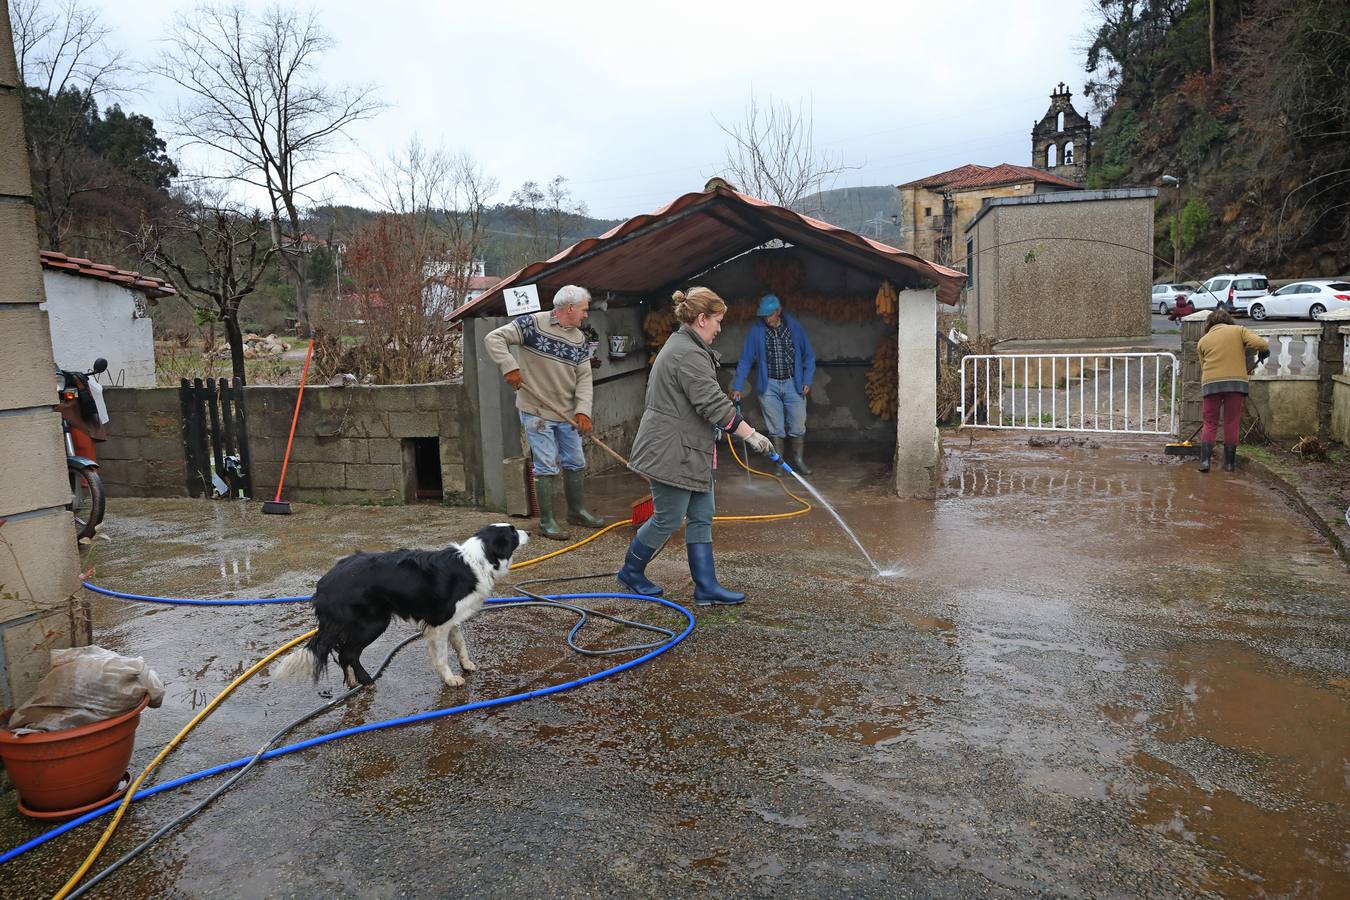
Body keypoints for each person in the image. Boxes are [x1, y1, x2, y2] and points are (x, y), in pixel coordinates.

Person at [618, 287, 775, 606]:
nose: (720, 327)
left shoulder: (688, 347)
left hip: (690, 449)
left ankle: (706, 587)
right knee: (668, 517)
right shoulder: (686, 352)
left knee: (702, 513)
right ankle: (631, 571)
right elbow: (712, 404)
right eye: (717, 320)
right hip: (671, 450)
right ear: (701, 319)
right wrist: (751, 434)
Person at [483, 285, 603, 540]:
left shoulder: (580, 340)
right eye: (583, 310)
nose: (585, 315)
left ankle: (577, 511)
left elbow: (583, 379)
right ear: (569, 308)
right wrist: (509, 367)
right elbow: (494, 338)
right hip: (536, 411)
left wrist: (583, 412)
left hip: (568, 414)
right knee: (546, 465)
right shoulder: (531, 324)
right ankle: (547, 521)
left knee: (576, 462)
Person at [731, 293, 817, 474]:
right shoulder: (756, 331)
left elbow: (809, 355)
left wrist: (807, 380)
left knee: (798, 425)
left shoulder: (794, 328)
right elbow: (746, 359)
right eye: (764, 316)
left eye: (770, 315)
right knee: (776, 428)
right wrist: (738, 386)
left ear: (779, 311)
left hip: (793, 383)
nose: (767, 319)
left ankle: (799, 460)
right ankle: (780, 464)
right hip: (769, 386)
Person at [1196, 308, 1269, 473]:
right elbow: (1261, 344)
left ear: (1209, 324)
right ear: (1228, 321)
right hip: (1236, 384)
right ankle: (1229, 464)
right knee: (1231, 422)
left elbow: (1203, 366)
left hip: (1211, 384)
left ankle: (1205, 462)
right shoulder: (1239, 330)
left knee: (1209, 423)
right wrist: (1264, 351)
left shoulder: (1203, 341)